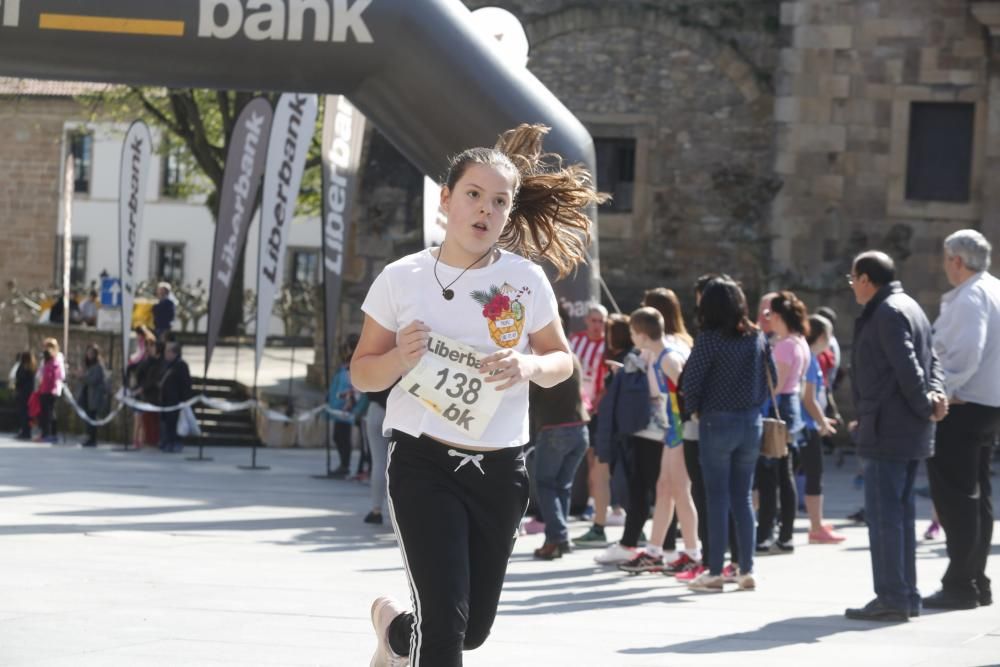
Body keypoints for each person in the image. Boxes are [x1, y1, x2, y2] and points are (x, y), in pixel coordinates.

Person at [351, 124, 602, 666]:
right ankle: (413, 639)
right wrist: (399, 359)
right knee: (444, 630)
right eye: (473, 195)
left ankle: (394, 632)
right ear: (446, 199)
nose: (484, 210)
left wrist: (527, 364)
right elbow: (363, 374)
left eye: (499, 201)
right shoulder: (402, 278)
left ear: (509, 214)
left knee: (470, 630)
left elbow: (563, 363)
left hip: (501, 467)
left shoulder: (525, 280)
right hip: (423, 462)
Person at [844, 250, 947, 622]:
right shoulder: (910, 306)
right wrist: (934, 396)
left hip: (889, 427)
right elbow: (933, 361)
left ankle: (892, 596)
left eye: (853, 278)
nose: (852, 286)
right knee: (898, 515)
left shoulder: (887, 312)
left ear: (867, 279)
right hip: (904, 427)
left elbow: (909, 366)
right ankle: (904, 595)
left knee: (885, 516)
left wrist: (926, 402)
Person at [680, 277, 773, 592]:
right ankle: (747, 568)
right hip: (751, 421)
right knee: (743, 496)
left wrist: (694, 408)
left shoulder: (709, 339)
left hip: (716, 421)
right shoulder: (757, 337)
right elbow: (769, 376)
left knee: (716, 498)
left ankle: (716, 570)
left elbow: (690, 381)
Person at [925, 230, 1000, 610]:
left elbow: (968, 349)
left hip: (964, 403)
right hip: (988, 404)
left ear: (957, 260)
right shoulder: (994, 290)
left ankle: (961, 585)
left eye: (945, 258)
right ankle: (976, 580)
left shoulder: (972, 296)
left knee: (956, 498)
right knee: (977, 496)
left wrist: (944, 390)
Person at [615, 305, 699, 576]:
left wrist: (689, 426)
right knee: (664, 489)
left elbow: (688, 393)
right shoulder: (662, 355)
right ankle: (654, 552)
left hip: (679, 430)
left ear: (640, 334)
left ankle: (692, 553)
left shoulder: (668, 358)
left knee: (680, 492)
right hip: (672, 431)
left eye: (632, 332)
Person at [530, 304, 589, 560]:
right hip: (579, 429)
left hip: (555, 430)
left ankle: (557, 539)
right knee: (562, 487)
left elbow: (530, 395)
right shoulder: (572, 358)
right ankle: (560, 536)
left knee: (546, 485)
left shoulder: (545, 362)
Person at [756, 291, 809, 555]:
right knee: (783, 474)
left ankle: (768, 533)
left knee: (771, 476)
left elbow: (775, 385)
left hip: (779, 411)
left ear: (777, 316)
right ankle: (782, 534)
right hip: (791, 409)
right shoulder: (799, 342)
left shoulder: (786, 345)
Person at [574, 312, 631, 548]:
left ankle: (630, 530)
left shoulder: (628, 359)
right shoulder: (615, 356)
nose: (601, 334)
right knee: (600, 474)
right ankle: (600, 526)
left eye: (606, 329)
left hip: (619, 427)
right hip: (608, 424)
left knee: (619, 477)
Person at [799, 314, 844, 543]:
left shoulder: (809, 357)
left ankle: (817, 523)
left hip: (806, 425)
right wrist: (822, 421)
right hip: (806, 426)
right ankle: (816, 527)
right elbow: (808, 399)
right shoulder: (810, 360)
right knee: (813, 475)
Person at [328, 335, 360, 478]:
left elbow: (352, 386)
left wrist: (349, 404)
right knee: (338, 436)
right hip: (337, 406)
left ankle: (345, 465)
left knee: (342, 437)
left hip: (345, 407)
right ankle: (343, 464)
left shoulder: (354, 362)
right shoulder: (346, 363)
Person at [363, 385, 394, 525]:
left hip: (376, 409)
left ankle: (376, 510)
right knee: (400, 464)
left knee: (379, 462)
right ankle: (397, 510)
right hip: (401, 411)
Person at [158, 341, 193, 453]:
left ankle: (175, 442)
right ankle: (166, 441)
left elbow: (186, 384)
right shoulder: (166, 364)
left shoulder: (181, 365)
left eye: (167, 351)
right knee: (166, 422)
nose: (165, 353)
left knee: (175, 422)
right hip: (165, 400)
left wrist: (184, 400)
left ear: (174, 353)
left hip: (176, 401)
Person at [76, 344, 108, 447]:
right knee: (88, 418)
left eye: (91, 353)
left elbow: (93, 380)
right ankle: (89, 436)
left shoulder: (98, 367)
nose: (89, 355)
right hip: (87, 397)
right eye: (88, 353)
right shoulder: (88, 366)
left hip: (94, 397)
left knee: (92, 418)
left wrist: (82, 377)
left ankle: (92, 439)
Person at [35, 339, 65, 444]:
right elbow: (40, 372)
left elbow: (61, 375)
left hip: (53, 389)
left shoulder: (58, 358)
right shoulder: (45, 357)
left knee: (50, 413)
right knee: (44, 412)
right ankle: (44, 433)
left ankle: (51, 434)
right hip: (44, 387)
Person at [14, 351, 37, 440]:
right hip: (30, 393)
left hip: (23, 393)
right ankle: (27, 431)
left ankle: (25, 432)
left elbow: (19, 379)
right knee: (28, 413)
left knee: (24, 413)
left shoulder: (23, 367)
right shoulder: (32, 367)